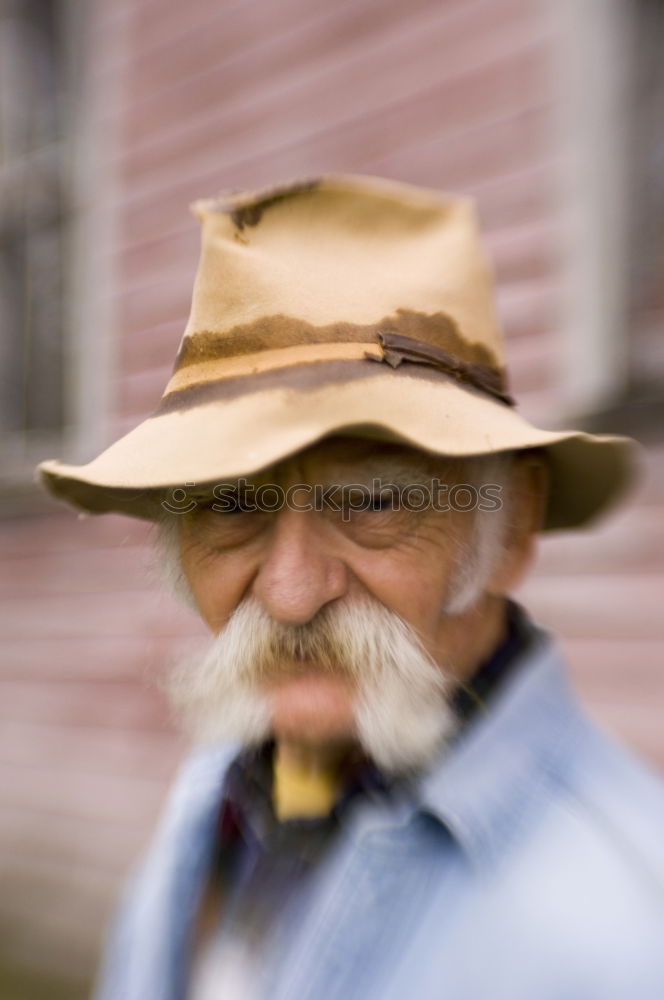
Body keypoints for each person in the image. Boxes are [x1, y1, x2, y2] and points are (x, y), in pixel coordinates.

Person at [39, 176, 664, 1000]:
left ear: (509, 530)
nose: (292, 595)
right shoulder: (220, 786)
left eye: (371, 502)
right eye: (231, 504)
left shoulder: (628, 937)